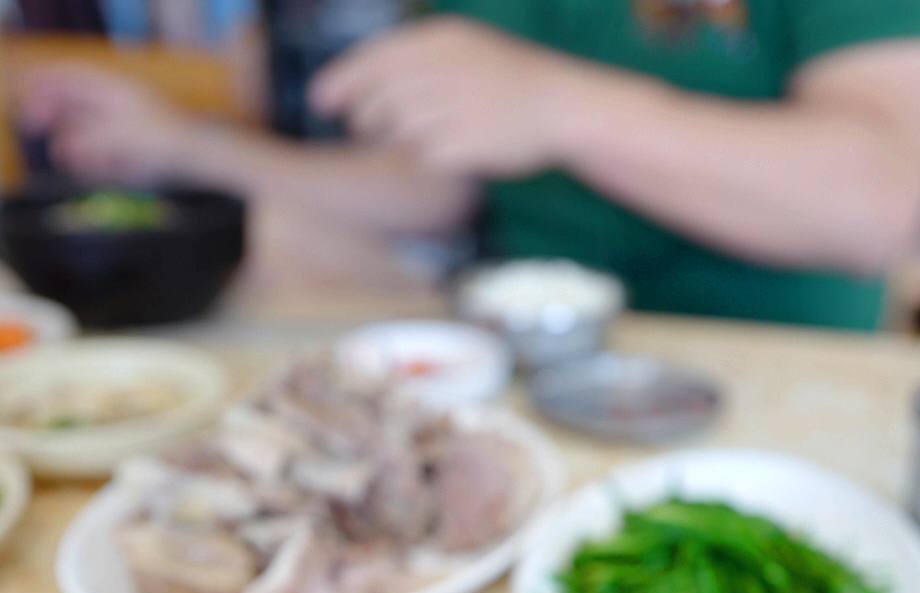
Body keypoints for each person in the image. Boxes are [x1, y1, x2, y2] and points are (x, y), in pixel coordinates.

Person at [15, 2, 920, 326]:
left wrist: (564, 106)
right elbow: (429, 187)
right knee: (269, 245)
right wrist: (181, 145)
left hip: (769, 360)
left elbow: (885, 193)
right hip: (517, 348)